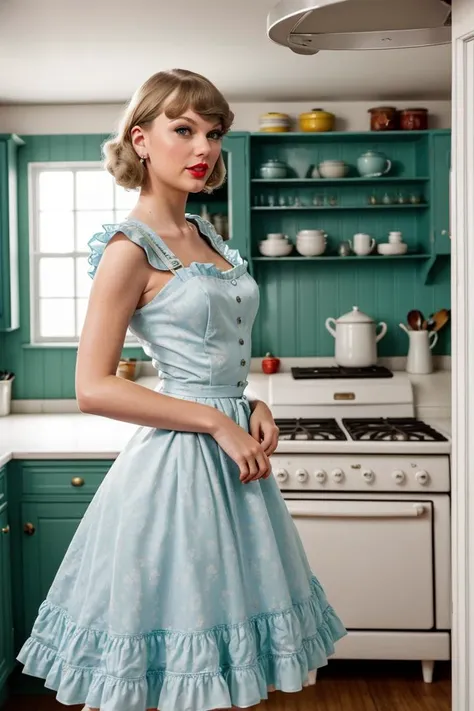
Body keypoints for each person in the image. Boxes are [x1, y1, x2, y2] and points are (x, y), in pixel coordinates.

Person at [16, 68, 346, 711]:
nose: (204, 148)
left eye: (214, 133)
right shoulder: (127, 249)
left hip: (237, 474)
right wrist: (219, 422)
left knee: (229, 675)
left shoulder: (207, 238)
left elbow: (219, 360)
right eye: (183, 129)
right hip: (178, 471)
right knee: (172, 670)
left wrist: (248, 404)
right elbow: (93, 388)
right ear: (141, 140)